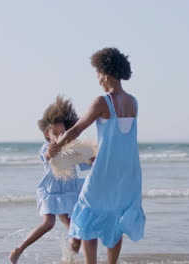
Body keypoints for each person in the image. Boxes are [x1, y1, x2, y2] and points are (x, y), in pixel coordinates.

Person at [47, 47, 145, 264]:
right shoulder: (133, 102)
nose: (98, 79)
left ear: (106, 73)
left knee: (87, 213)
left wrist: (55, 147)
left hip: (106, 169)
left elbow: (76, 130)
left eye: (98, 74)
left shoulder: (102, 102)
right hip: (129, 172)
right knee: (116, 216)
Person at [9, 96, 92, 264]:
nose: (58, 137)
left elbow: (90, 162)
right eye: (54, 133)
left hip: (69, 193)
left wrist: (94, 156)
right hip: (51, 192)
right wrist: (53, 150)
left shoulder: (74, 149)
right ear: (47, 134)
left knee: (76, 235)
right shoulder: (46, 148)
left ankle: (69, 259)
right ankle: (19, 249)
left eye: (62, 133)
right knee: (48, 223)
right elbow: (48, 155)